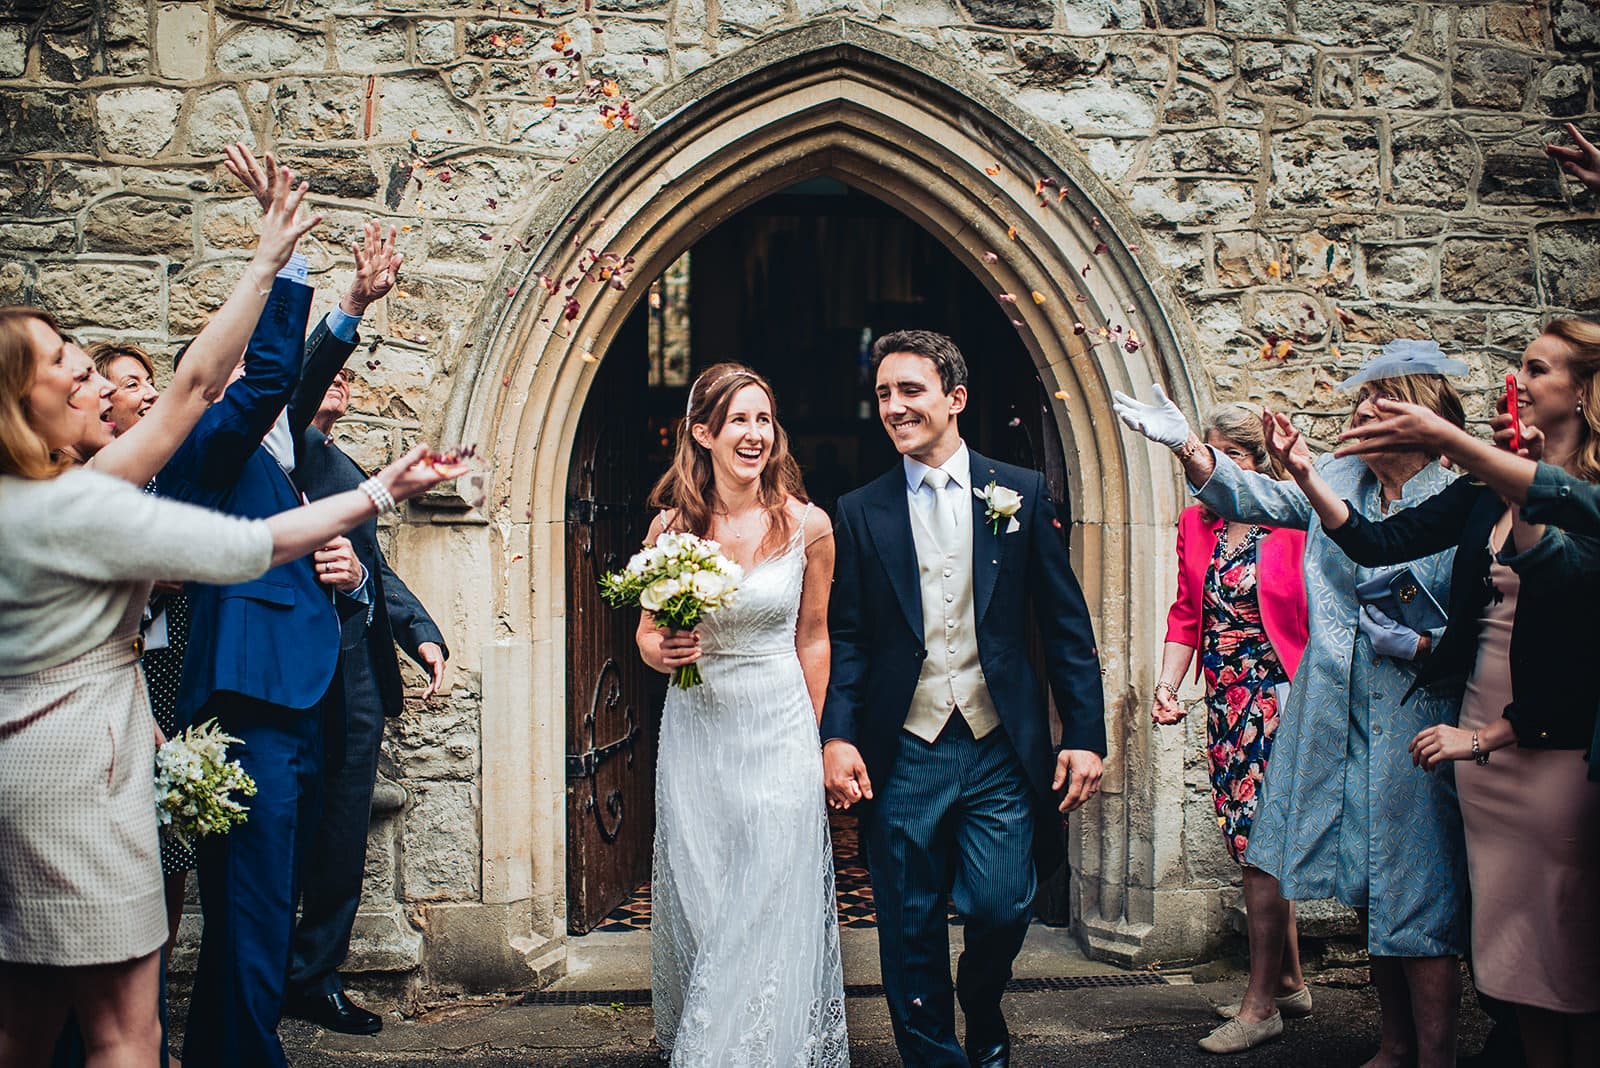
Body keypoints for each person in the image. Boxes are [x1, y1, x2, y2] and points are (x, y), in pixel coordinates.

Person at [0, 303, 469, 1067]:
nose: (129, 396)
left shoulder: (64, 491)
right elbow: (248, 526)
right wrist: (291, 273)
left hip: (96, 740)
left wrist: (358, 575)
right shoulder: (155, 469)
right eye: (77, 372)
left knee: (39, 1015)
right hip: (135, 740)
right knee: (142, 1011)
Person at [1114, 343, 1471, 1066]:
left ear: (1419, 413)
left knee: (1418, 889)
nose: (1359, 416)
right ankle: (1395, 1046)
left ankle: (1436, 1057)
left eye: (1376, 404)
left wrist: (1430, 645)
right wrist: (1186, 445)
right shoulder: (1339, 479)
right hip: (1339, 709)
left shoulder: (1458, 492)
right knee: (1373, 882)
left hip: (1421, 707)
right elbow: (1252, 497)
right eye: (1359, 405)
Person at [1288, 322, 1600, 1068]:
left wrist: (1494, 734)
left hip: (1545, 746)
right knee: (1513, 955)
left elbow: (1576, 625)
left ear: (1584, 391)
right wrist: (1303, 473)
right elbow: (1375, 543)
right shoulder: (1480, 489)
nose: (1517, 380)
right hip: (1474, 733)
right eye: (1518, 365)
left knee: (1568, 951)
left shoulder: (1586, 498)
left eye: (1537, 368)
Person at [160, 151, 405, 1067]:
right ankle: (250, 1054)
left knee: (258, 901)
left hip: (297, 694)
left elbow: (291, 379)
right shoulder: (206, 450)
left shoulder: (274, 446)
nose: (271, 383)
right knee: (255, 903)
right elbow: (268, 376)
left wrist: (352, 303)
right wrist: (284, 255)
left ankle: (226, 1048)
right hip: (252, 697)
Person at [821, 330, 1105, 1068]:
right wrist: (838, 734)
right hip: (904, 747)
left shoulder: (1020, 491)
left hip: (995, 745)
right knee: (908, 926)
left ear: (956, 398)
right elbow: (848, 638)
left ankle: (981, 1002)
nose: (894, 407)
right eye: (883, 393)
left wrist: (1086, 733)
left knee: (1003, 903)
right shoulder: (859, 510)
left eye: (910, 391)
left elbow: (1066, 625)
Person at [634, 362, 845, 1065]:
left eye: (764, 419)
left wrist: (813, 744)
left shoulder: (809, 525)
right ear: (704, 433)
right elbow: (645, 631)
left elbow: (814, 637)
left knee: (769, 901)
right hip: (698, 731)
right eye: (739, 421)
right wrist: (660, 650)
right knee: (711, 903)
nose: (755, 434)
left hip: (778, 727)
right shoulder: (671, 528)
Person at [285, 367, 449, 1035]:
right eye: (329, 369)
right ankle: (263, 979)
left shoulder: (343, 464)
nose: (343, 378)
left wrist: (421, 634)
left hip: (355, 676)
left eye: (350, 374)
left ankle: (314, 977)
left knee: (343, 837)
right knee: (285, 837)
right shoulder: (275, 452)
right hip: (294, 672)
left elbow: (371, 569)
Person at [1153, 403, 1311, 1053]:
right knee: (1247, 843)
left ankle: (1260, 1005)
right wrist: (1168, 684)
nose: (1201, 469)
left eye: (1213, 456)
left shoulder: (1296, 518)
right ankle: (1293, 982)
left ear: (1246, 463)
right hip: (1226, 701)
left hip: (1281, 699)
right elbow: (1187, 613)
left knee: (1260, 845)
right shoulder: (1197, 523)